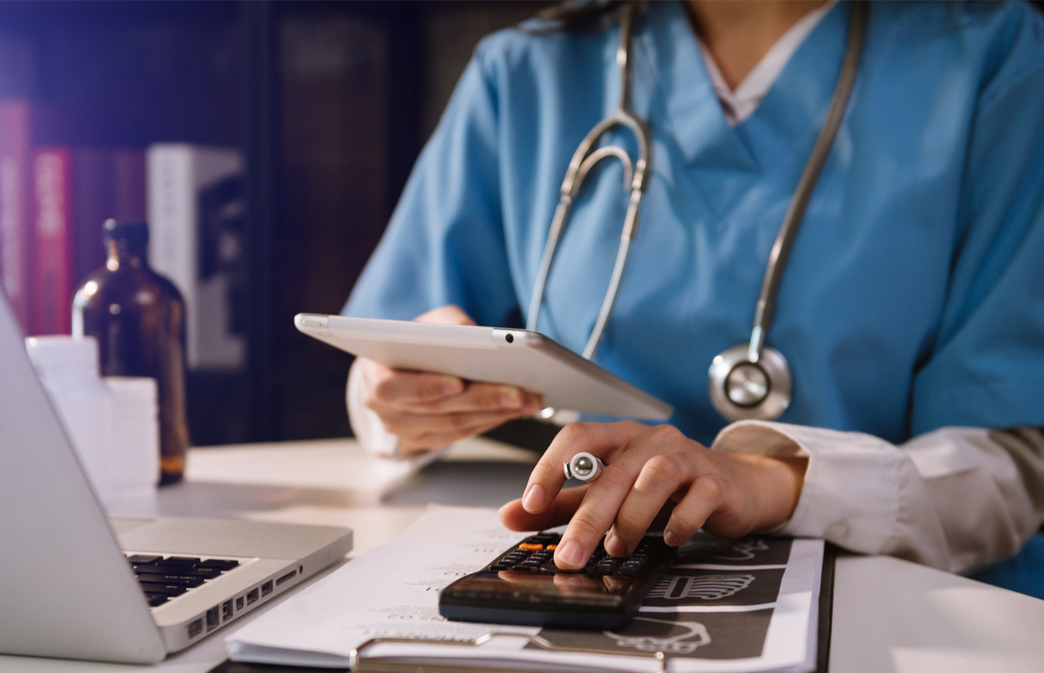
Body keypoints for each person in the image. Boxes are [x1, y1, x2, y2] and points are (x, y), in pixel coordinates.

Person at [341, 0, 1044, 595]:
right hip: (587, 583)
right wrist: (403, 399)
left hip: (905, 604)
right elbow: (387, 362)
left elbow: (1016, 463)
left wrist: (772, 481)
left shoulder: (996, 59)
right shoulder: (526, 74)